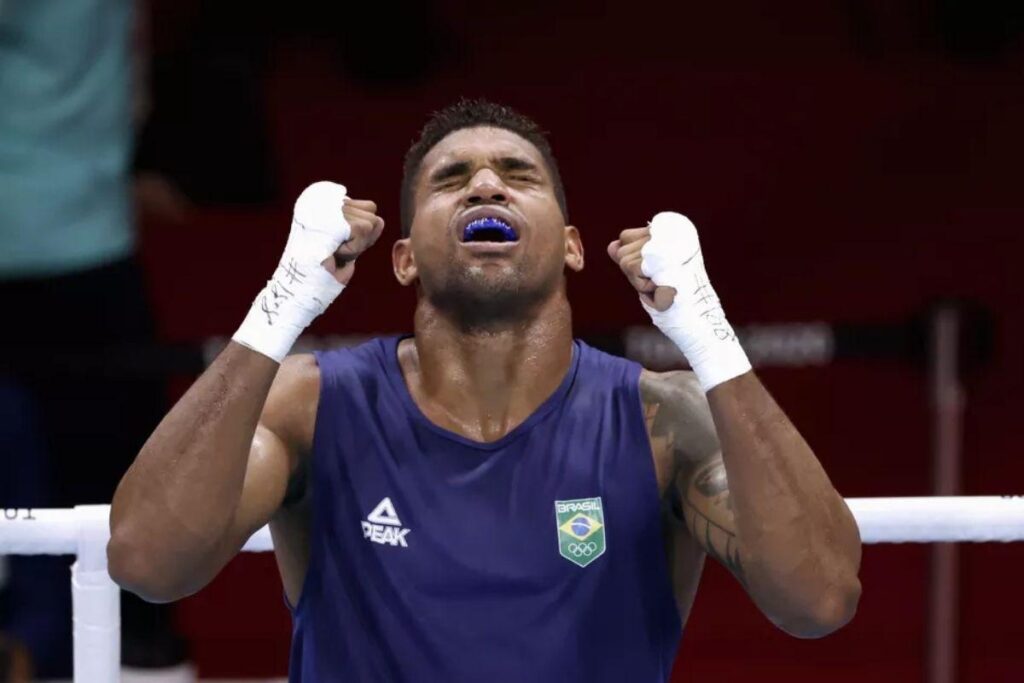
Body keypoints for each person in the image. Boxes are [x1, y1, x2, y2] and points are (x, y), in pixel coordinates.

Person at [108, 99, 862, 681]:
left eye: (518, 173)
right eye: (450, 179)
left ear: (572, 245)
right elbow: (147, 561)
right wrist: (280, 304)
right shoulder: (315, 406)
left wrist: (709, 335)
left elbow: (820, 599)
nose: (487, 184)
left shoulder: (659, 417)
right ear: (402, 258)